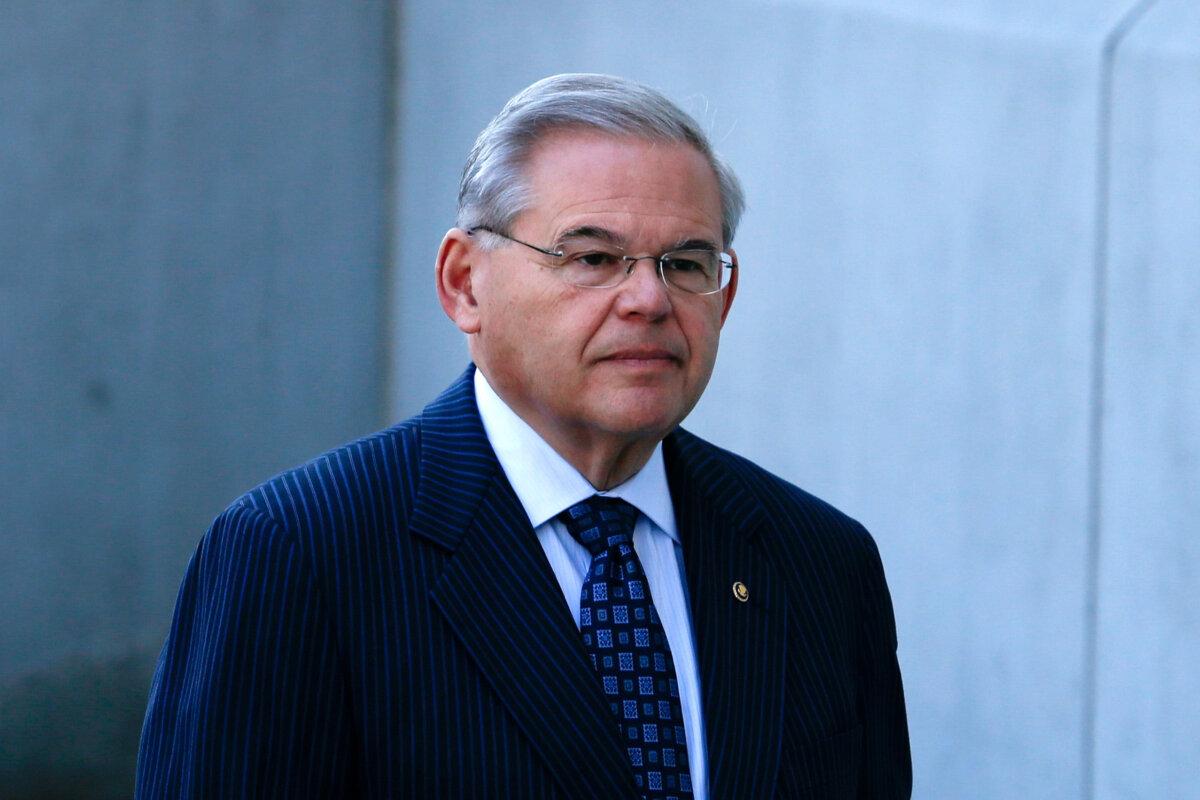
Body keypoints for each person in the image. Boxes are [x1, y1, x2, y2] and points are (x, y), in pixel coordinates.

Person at [137, 73, 911, 799]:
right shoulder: (299, 552)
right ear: (464, 282)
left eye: (685, 263)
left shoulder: (819, 562)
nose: (648, 297)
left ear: (724, 296)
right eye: (593, 257)